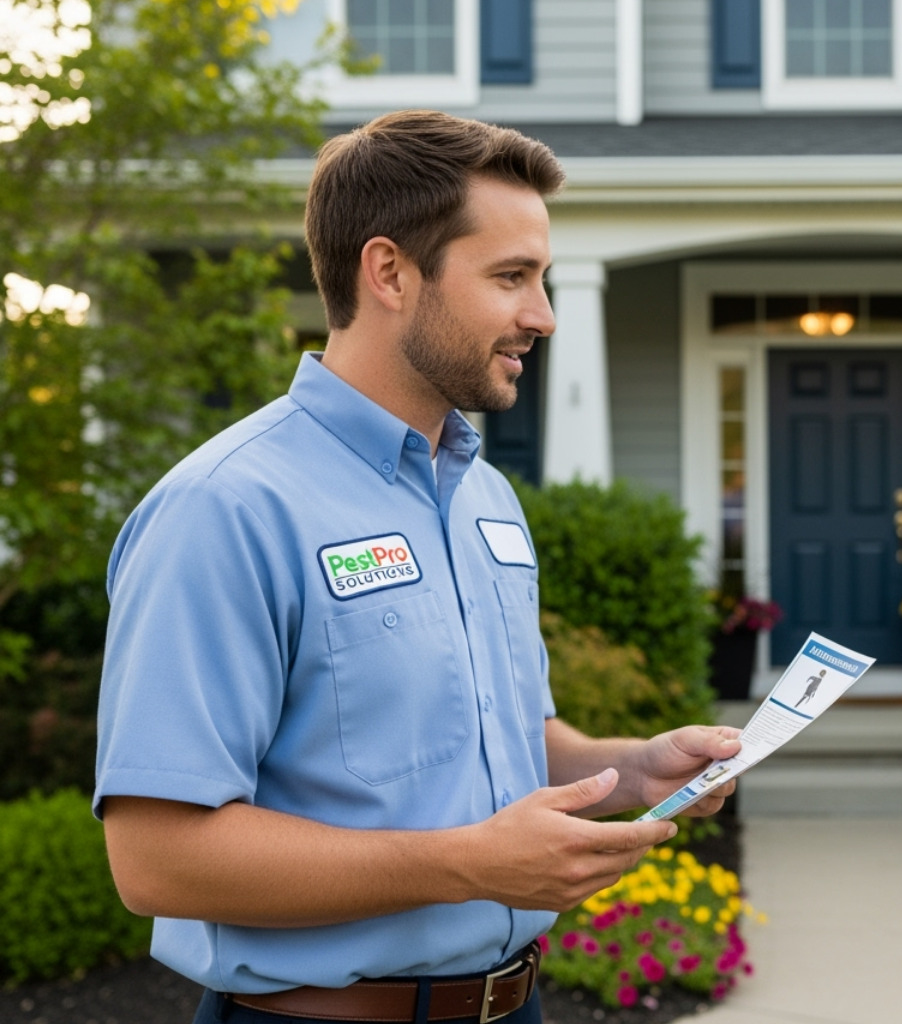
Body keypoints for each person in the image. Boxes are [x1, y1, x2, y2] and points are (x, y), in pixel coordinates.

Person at [94, 109, 742, 1024]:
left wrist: (630, 773)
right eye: (511, 277)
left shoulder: (487, 498)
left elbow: (500, 737)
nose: (543, 315)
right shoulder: (225, 508)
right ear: (390, 272)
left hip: (513, 1006)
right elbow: (156, 859)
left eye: (542, 278)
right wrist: (464, 863)